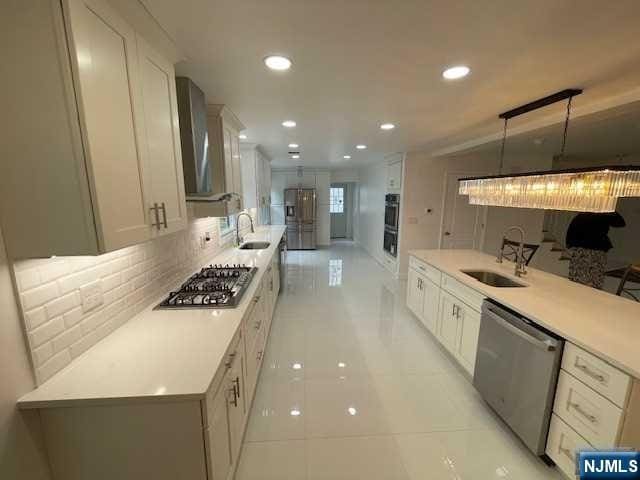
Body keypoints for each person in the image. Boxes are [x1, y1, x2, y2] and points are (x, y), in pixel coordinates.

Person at [565, 212, 626, 289]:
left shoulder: (584, 216)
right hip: (592, 250)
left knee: (582, 282)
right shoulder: (596, 215)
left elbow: (620, 222)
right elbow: (620, 222)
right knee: (590, 283)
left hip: (588, 250)